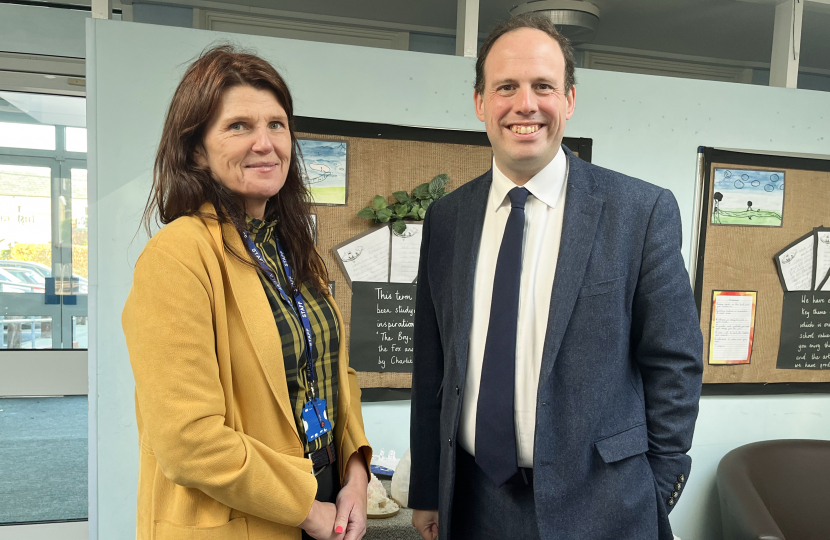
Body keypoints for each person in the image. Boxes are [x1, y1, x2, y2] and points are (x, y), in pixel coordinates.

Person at [409, 13, 703, 540]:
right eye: (506, 87)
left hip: (604, 506)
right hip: (475, 504)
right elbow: (433, 363)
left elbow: (674, 363)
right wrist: (429, 490)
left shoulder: (639, 211)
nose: (526, 104)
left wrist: (656, 487)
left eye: (543, 86)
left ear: (568, 99)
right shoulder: (447, 219)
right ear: (481, 103)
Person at [122, 45, 371, 540]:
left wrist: (356, 478)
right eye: (239, 126)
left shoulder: (294, 248)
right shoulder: (178, 255)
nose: (266, 143)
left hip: (327, 496)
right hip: (245, 518)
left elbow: (334, 372)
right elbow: (188, 439)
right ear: (196, 149)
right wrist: (308, 509)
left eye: (277, 125)